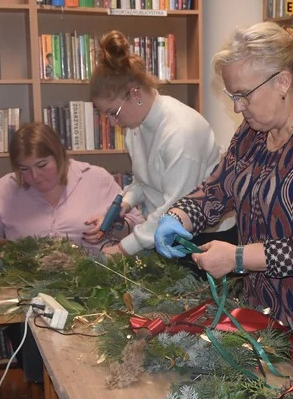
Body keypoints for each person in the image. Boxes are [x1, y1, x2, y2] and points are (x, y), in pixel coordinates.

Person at [154, 18, 293, 376]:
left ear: (282, 81)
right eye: (233, 95)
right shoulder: (251, 133)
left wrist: (237, 257)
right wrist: (179, 216)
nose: (237, 107)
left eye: (243, 94)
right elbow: (217, 189)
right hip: (268, 313)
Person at [0, 122, 122, 385]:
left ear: (59, 154)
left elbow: (137, 222)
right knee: (31, 327)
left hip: (92, 285)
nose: (34, 177)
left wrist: (113, 221)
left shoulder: (96, 179)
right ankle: (47, 393)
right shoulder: (5, 189)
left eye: (42, 165)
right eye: (24, 169)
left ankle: (80, 391)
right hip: (32, 292)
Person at [90, 30, 236, 259]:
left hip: (204, 241)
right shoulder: (137, 126)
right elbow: (144, 181)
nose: (112, 122)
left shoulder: (182, 131)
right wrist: (125, 204)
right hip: (162, 232)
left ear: (135, 94)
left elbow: (175, 209)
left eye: (113, 113)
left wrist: (121, 250)